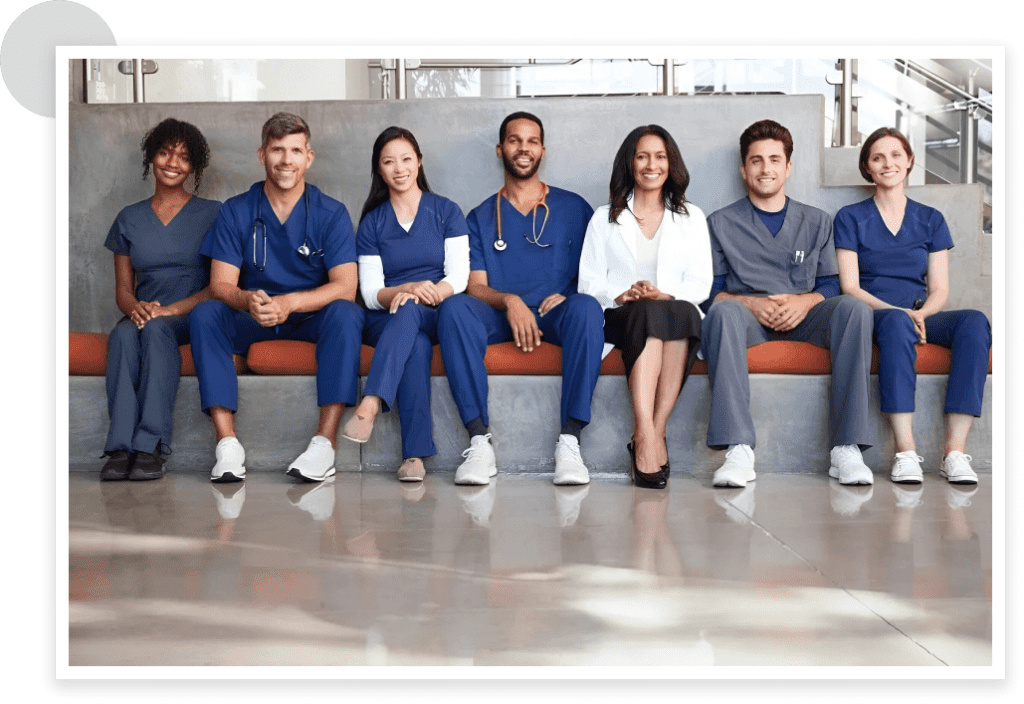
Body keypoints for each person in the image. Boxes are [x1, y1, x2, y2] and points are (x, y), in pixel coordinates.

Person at [190, 112, 364, 483]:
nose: (286, 160)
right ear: (262, 154)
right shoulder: (236, 210)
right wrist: (248, 299)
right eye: (277, 150)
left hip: (307, 318)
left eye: (295, 150)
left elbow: (345, 286)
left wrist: (291, 303)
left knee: (347, 314)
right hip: (253, 316)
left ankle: (324, 445)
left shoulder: (330, 213)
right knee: (206, 314)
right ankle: (227, 445)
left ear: (309, 157)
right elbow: (221, 284)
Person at [701, 119, 875, 488]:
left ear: (788, 167)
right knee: (722, 311)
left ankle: (846, 448)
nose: (766, 169)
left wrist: (805, 301)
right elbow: (710, 290)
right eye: (756, 160)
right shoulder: (719, 223)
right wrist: (749, 303)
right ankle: (738, 449)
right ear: (743, 169)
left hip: (806, 318)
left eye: (775, 160)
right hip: (747, 321)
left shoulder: (816, 221)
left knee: (854, 309)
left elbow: (830, 284)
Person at [437, 111, 604, 486]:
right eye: (514, 140)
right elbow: (475, 285)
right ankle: (479, 441)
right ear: (500, 150)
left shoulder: (575, 209)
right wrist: (509, 300)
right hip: (500, 316)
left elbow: (595, 273)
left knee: (588, 308)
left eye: (531, 141)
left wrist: (570, 294)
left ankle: (570, 442)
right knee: (454, 309)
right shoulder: (479, 216)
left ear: (542, 150)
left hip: (556, 312)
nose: (523, 148)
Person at [834, 127, 990, 485]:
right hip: (875, 314)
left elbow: (939, 288)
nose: (887, 163)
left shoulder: (930, 218)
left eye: (895, 155)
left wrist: (920, 313)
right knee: (894, 324)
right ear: (867, 168)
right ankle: (905, 451)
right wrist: (899, 313)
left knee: (975, 322)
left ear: (908, 163)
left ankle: (954, 452)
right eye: (877, 157)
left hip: (920, 314)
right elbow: (850, 286)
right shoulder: (849, 216)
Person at [578, 125, 713, 489]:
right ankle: (646, 429)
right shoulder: (604, 218)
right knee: (646, 313)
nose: (651, 164)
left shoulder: (691, 217)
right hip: (621, 316)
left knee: (676, 311)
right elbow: (588, 282)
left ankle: (652, 432)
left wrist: (662, 293)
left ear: (671, 164)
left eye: (660, 156)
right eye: (642, 156)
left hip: (673, 310)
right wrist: (624, 294)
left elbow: (701, 283)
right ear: (629, 163)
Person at [341, 126, 470, 482]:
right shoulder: (372, 222)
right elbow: (369, 292)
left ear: (419, 162)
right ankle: (414, 456)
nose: (399, 168)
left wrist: (431, 292)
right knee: (411, 335)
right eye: (388, 162)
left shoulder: (446, 211)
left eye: (406, 159)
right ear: (379, 170)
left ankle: (371, 402)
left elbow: (459, 276)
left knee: (413, 311)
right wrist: (406, 289)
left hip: (438, 309)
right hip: (389, 315)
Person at [100, 118, 221, 482]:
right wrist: (135, 309)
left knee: (156, 333)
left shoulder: (213, 214)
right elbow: (123, 288)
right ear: (151, 157)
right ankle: (119, 447)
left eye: (184, 157)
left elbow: (219, 286)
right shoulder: (128, 218)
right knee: (121, 336)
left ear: (195, 167)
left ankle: (151, 444)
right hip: (143, 315)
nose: (172, 162)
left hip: (189, 315)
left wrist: (170, 310)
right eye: (165, 152)